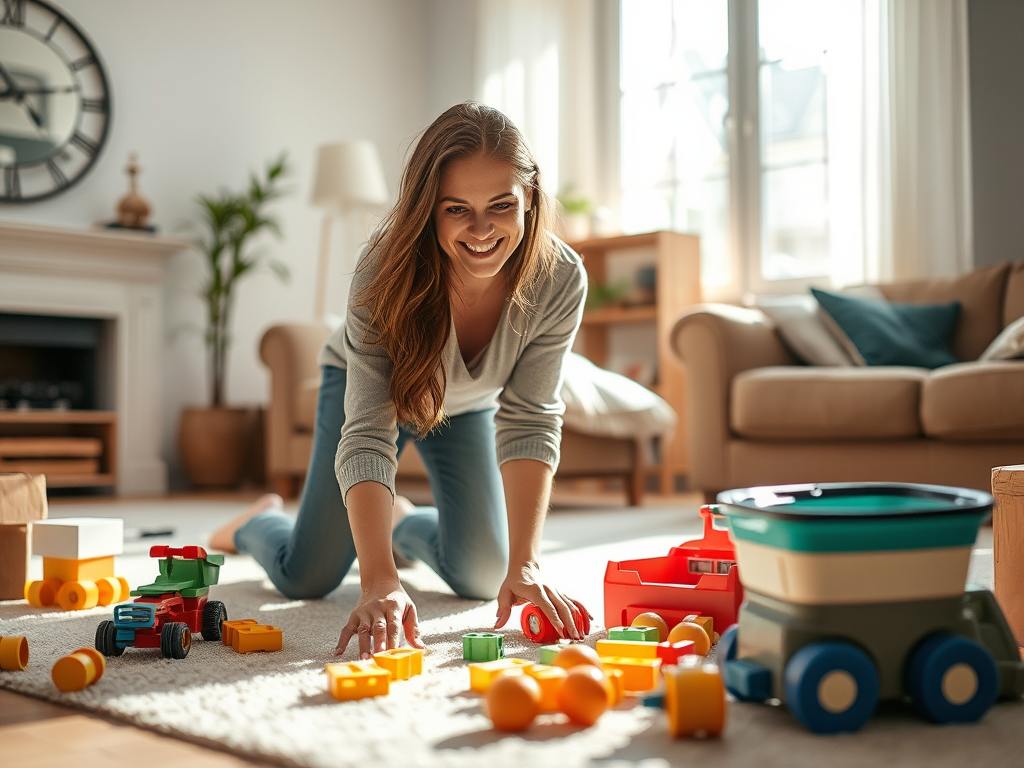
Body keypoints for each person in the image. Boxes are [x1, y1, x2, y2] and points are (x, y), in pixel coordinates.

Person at [210, 101, 591, 659]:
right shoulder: (382, 271)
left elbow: (531, 418)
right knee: (306, 577)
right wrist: (380, 581)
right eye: (457, 208)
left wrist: (526, 563)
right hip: (368, 394)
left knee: (486, 575)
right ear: (428, 209)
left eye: (501, 206)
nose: (481, 230)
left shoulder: (561, 277)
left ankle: (402, 520)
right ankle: (257, 522)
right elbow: (367, 437)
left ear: (530, 199)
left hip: (465, 407)